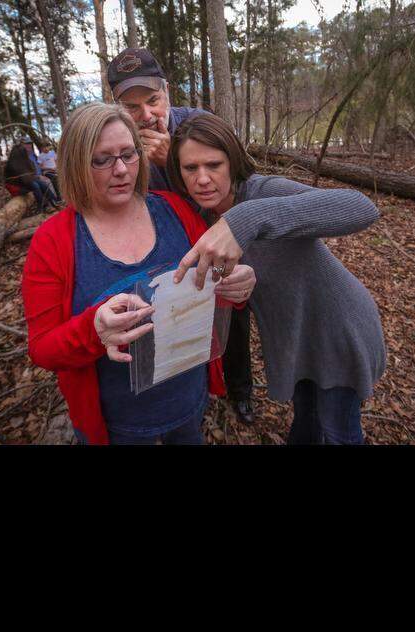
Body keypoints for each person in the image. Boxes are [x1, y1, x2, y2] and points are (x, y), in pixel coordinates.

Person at [21, 102, 256, 446]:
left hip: (188, 400)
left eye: (129, 154)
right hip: (119, 423)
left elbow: (210, 291)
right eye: (102, 159)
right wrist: (94, 330)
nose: (121, 170)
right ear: (75, 163)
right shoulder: (53, 241)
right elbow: (42, 349)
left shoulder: (175, 210)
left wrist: (236, 288)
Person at [168, 113, 386, 445]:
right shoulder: (200, 216)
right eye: (190, 168)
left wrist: (246, 218)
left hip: (338, 329)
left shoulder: (262, 191)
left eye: (214, 165)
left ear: (232, 161)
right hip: (295, 337)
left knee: (338, 430)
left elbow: (360, 207)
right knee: (306, 421)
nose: (202, 179)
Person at [107, 46, 257, 423]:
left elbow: (227, 190)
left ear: (167, 92)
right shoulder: (119, 146)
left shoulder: (196, 123)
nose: (146, 115)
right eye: (132, 107)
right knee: (175, 317)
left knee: (233, 316)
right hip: (165, 252)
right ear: (116, 107)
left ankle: (240, 390)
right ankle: (190, 386)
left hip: (216, 239)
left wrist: (171, 160)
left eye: (153, 101)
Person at [4, 138, 57, 209]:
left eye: (29, 144)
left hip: (28, 178)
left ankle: (54, 201)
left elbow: (32, 169)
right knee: (36, 186)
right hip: (18, 183)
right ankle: (42, 206)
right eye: (26, 144)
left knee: (42, 184)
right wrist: (34, 177)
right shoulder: (15, 157)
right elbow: (20, 175)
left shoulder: (28, 156)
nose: (28, 146)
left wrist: (36, 176)